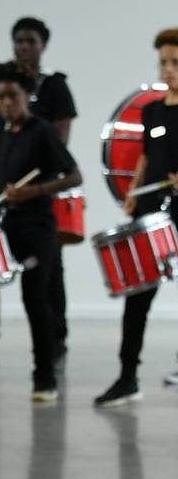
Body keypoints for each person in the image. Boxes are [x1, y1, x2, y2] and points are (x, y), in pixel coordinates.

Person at [0, 17, 78, 368]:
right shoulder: (5, 116)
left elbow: (64, 155)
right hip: (9, 211)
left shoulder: (54, 92)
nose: (24, 47)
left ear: (43, 45)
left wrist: (34, 185)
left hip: (38, 209)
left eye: (30, 41)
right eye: (18, 41)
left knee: (43, 287)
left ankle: (53, 352)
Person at [94, 29, 178, 406]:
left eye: (175, 62)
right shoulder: (152, 110)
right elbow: (146, 154)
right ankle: (128, 377)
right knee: (137, 297)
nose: (168, 69)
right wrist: (133, 192)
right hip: (151, 212)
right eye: (163, 62)